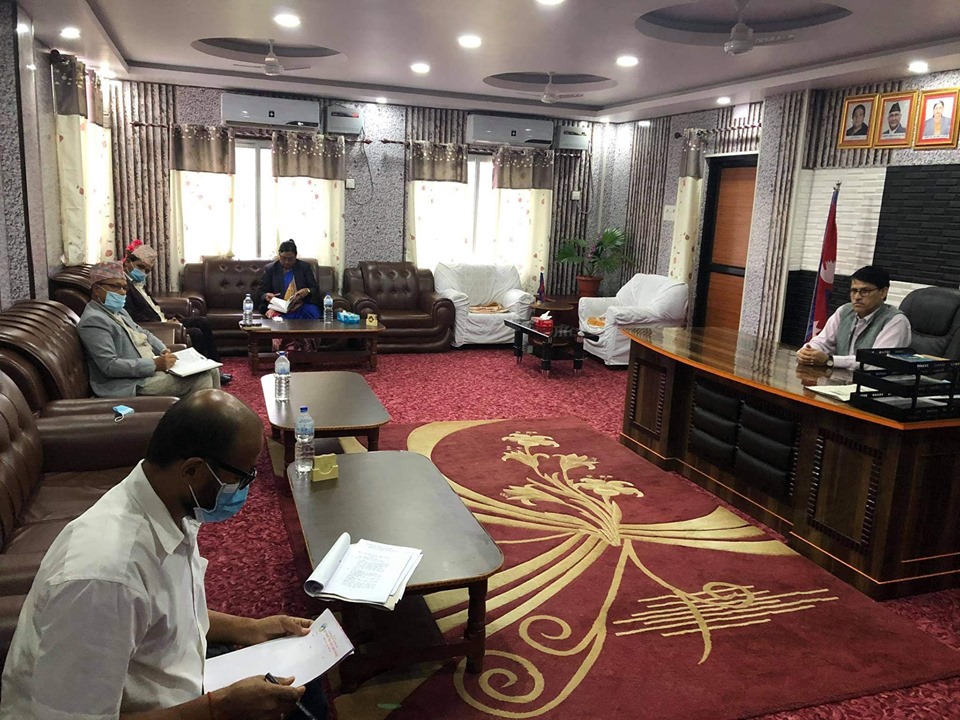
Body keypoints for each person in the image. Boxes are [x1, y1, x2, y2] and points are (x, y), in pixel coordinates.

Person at [0, 390, 328, 719]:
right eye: (241, 478)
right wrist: (220, 708)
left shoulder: (170, 508)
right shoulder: (105, 579)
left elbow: (166, 616)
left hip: (176, 677)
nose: (245, 490)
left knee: (304, 682)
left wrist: (250, 628)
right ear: (193, 471)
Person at [77, 261, 220, 397]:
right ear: (97, 289)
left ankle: (216, 412)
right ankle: (201, 414)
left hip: (149, 369)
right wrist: (154, 364)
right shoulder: (93, 320)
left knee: (212, 370)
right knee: (202, 377)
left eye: (124, 287)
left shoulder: (118, 311)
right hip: (129, 383)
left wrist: (162, 349)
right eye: (116, 286)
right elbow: (109, 366)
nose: (122, 292)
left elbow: (143, 332)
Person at [122, 240, 232, 384]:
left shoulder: (138, 284)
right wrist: (165, 323)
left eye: (147, 270)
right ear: (127, 262)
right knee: (196, 333)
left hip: (164, 321)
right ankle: (203, 370)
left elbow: (153, 308)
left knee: (202, 321)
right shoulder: (122, 285)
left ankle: (215, 367)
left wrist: (170, 317)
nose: (143, 272)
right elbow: (132, 316)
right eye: (140, 267)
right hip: (158, 327)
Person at [797, 265, 912, 370]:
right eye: (854, 291)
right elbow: (822, 341)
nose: (857, 297)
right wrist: (808, 351)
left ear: (883, 292)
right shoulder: (844, 311)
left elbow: (876, 362)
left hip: (872, 383)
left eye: (865, 291)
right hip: (840, 378)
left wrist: (830, 360)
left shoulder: (896, 321)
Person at [257, 239, 322, 352]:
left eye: (290, 259)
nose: (287, 262)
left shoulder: (304, 267)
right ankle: (285, 352)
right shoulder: (270, 269)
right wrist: (267, 295)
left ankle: (307, 351)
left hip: (301, 305)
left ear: (296, 256)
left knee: (313, 313)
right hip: (280, 307)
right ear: (279, 256)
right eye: (283, 258)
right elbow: (261, 292)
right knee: (278, 320)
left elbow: (314, 288)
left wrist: (307, 291)